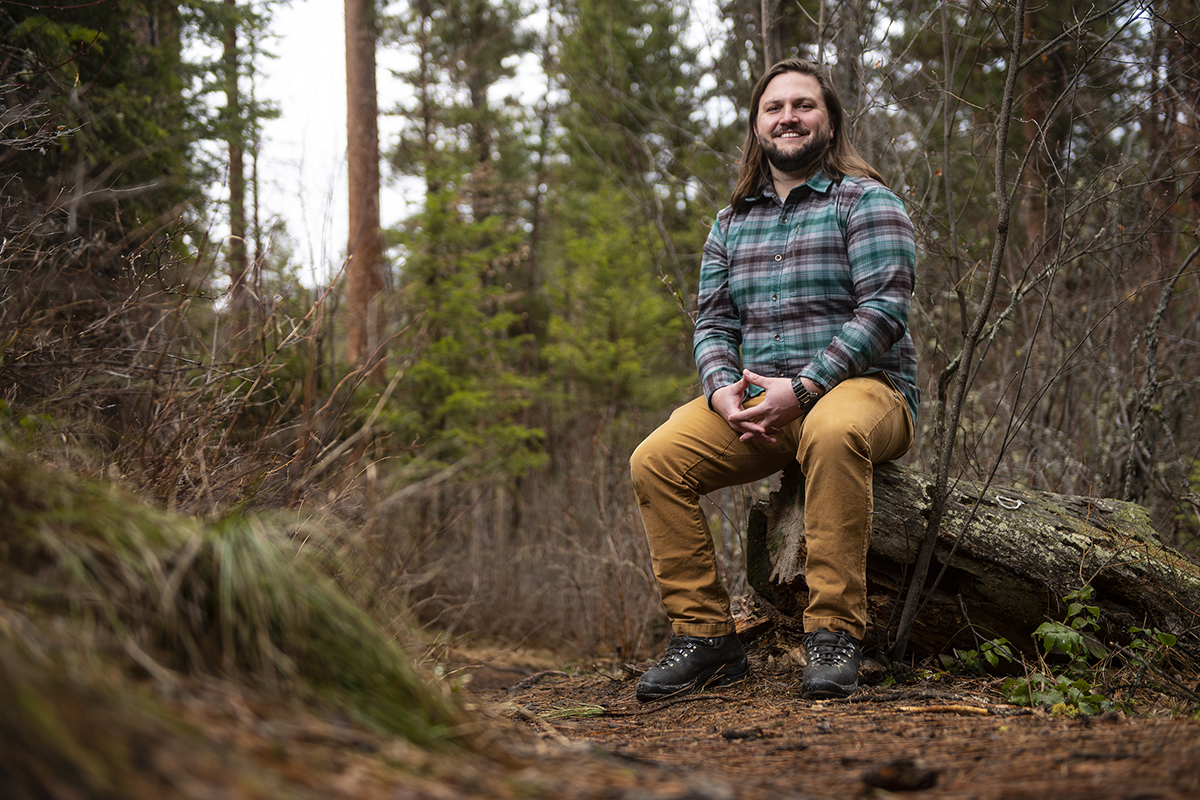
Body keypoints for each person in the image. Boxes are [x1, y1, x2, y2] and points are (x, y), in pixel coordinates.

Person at [629, 58, 918, 702]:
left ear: (831, 120)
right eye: (774, 107)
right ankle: (706, 637)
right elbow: (712, 321)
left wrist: (807, 388)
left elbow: (884, 312)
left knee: (836, 430)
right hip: (763, 402)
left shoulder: (868, 201)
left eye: (803, 105)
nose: (788, 116)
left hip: (866, 393)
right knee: (655, 461)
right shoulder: (731, 222)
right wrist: (720, 387)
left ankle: (833, 634)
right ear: (758, 126)